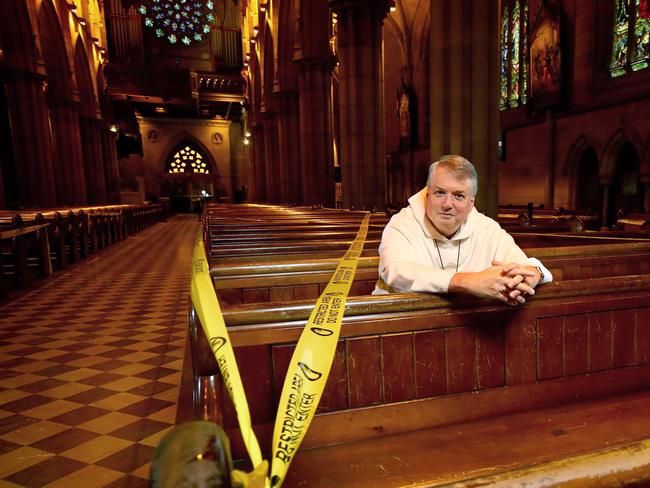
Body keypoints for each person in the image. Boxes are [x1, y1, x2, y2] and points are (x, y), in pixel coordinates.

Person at [375, 155, 552, 305]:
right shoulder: (402, 223)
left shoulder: (486, 228)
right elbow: (396, 271)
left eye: (458, 196)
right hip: (401, 324)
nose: (447, 204)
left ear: (471, 203)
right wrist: (467, 281)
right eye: (440, 193)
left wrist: (534, 274)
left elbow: (524, 265)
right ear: (427, 195)